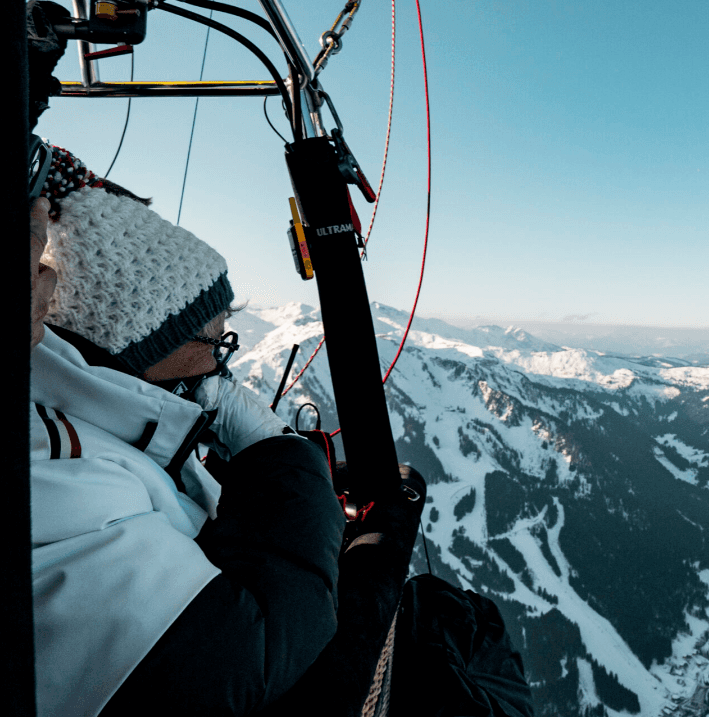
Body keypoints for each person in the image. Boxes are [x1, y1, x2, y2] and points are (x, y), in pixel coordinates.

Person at [31, 143, 533, 717]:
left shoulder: (110, 429)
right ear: (137, 349)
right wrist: (277, 458)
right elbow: (251, 646)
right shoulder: (57, 469)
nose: (223, 363)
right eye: (213, 342)